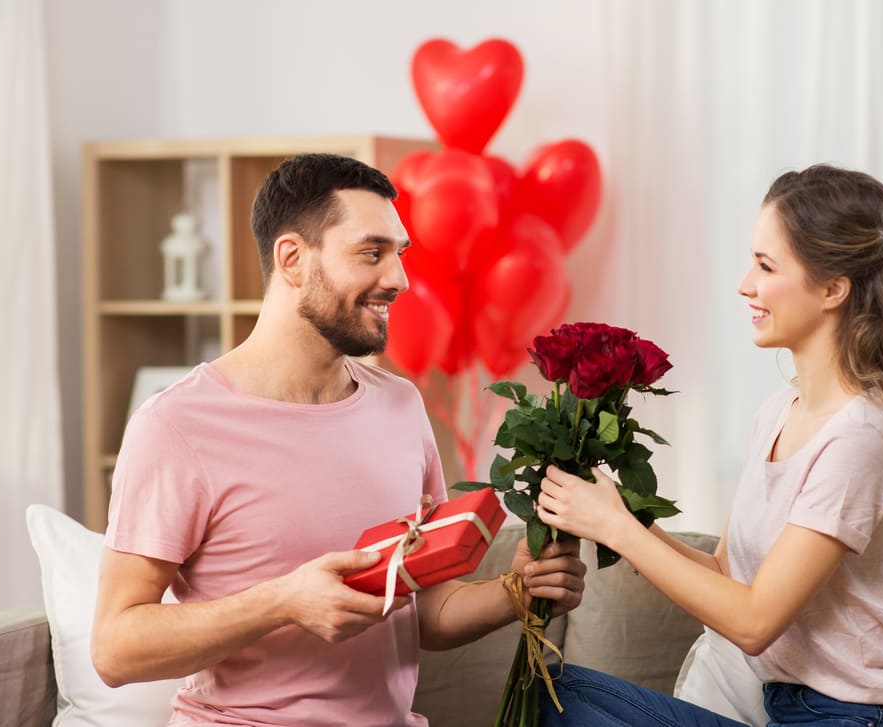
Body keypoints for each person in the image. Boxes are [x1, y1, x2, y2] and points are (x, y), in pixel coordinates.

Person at [91, 153, 587, 727]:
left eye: (400, 255)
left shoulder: (401, 406)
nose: (399, 279)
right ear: (293, 259)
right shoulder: (176, 426)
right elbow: (114, 646)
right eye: (372, 253)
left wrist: (517, 590)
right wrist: (283, 600)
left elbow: (423, 609)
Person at [534, 164, 883, 727]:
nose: (745, 285)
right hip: (785, 711)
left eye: (765, 266)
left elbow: (755, 622)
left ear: (833, 288)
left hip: (857, 719)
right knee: (554, 691)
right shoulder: (777, 414)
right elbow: (727, 574)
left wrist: (618, 528)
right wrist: (613, 516)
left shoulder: (861, 437)